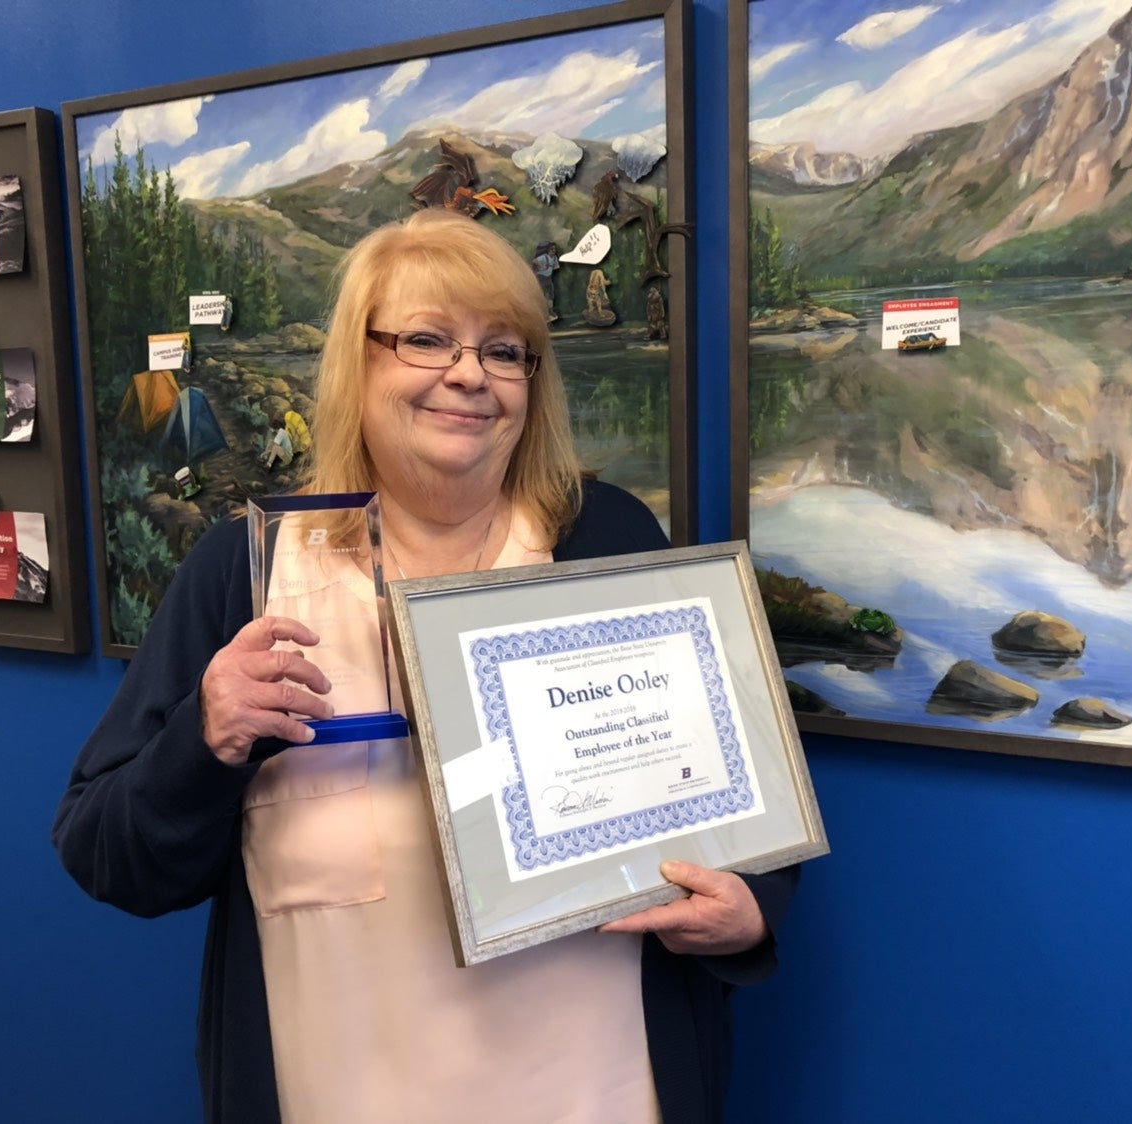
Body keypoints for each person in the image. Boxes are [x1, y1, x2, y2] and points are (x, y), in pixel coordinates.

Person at [53, 209, 797, 1124]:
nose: (468, 374)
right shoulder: (247, 573)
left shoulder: (606, 541)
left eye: (505, 349)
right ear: (357, 363)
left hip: (599, 1093)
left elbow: (738, 814)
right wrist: (203, 741)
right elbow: (105, 852)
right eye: (426, 339)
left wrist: (749, 909)